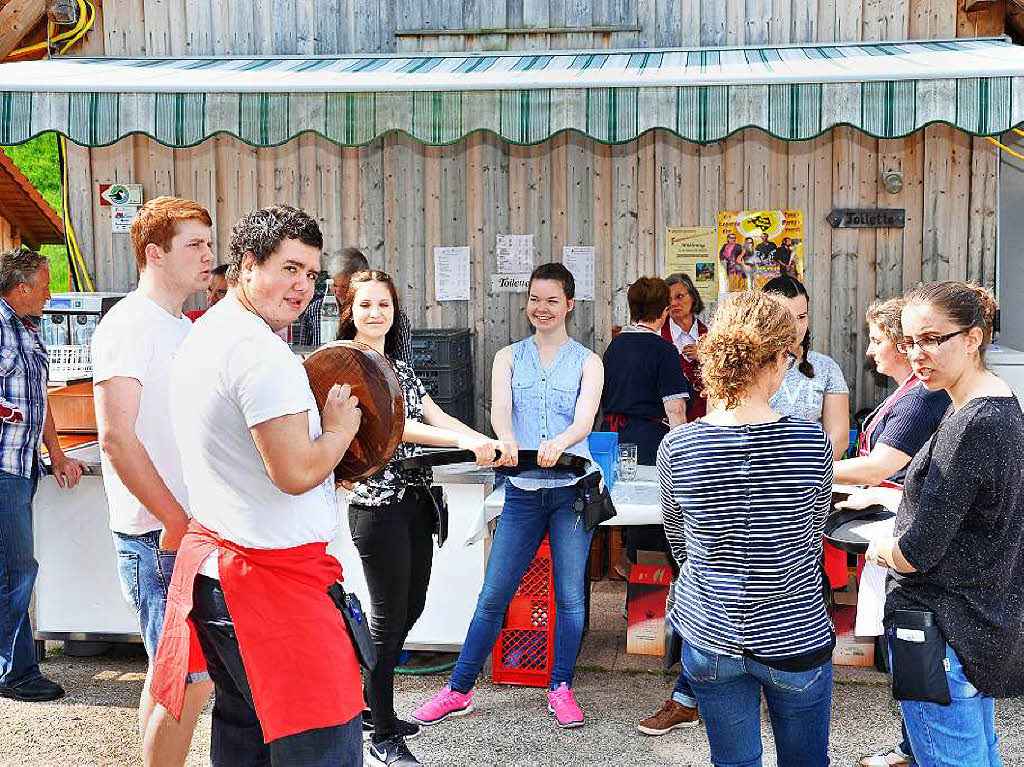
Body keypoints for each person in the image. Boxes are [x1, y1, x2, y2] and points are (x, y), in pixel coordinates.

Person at [150, 206, 365, 765]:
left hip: (222, 573)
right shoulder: (261, 354)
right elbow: (293, 473)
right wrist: (340, 432)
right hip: (270, 586)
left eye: (312, 275)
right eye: (290, 267)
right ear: (248, 264)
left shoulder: (207, 332)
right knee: (324, 746)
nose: (302, 286)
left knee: (246, 740)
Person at [413, 263, 603, 730]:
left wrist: (563, 441)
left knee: (572, 599)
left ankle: (561, 686)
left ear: (569, 305)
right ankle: (458, 689)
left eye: (552, 300)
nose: (542, 308)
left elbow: (585, 420)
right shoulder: (508, 357)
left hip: (571, 495)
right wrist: (505, 435)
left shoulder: (588, 361)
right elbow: (500, 410)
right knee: (494, 594)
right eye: (535, 299)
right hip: (521, 492)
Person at [843, 282, 1024, 767]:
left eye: (930, 339)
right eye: (908, 341)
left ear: (974, 338)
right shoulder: (993, 405)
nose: (916, 354)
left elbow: (915, 551)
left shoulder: (974, 423)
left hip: (945, 629)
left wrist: (873, 542)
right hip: (973, 622)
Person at [659, 290, 835, 766]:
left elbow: (679, 542)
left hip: (711, 629)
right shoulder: (811, 440)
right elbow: (811, 531)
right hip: (793, 631)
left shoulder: (678, 445)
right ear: (780, 358)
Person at [340, 270, 506, 766]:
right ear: (350, 310)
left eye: (384, 305)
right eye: (366, 304)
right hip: (376, 509)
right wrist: (463, 443)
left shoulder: (398, 366)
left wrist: (481, 438)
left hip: (415, 502)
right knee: (389, 622)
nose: (375, 314)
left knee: (409, 610)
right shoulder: (349, 366)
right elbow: (395, 429)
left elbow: (434, 414)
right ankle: (383, 734)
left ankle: (371, 708)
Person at [92, 197, 215, 766]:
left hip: (188, 534)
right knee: (183, 681)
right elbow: (116, 437)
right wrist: (172, 519)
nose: (208, 255)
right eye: (194, 244)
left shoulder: (180, 325)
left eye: (208, 243)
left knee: (179, 680)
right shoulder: (128, 324)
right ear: (153, 254)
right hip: (156, 537)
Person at [0, 248, 84, 703]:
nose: (52, 293)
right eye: (46, 285)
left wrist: (56, 453)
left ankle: (15, 667)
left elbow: (40, 400)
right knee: (15, 571)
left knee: (14, 570)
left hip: (21, 465)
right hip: (2, 468)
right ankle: (14, 672)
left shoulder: (28, 331)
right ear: (22, 289)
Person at [834, 297, 949, 489]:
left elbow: (876, 470)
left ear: (902, 346)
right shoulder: (909, 390)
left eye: (877, 341)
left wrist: (807, 471)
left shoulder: (919, 399)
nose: (870, 351)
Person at [764, 276, 850, 459]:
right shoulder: (745, 366)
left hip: (811, 476)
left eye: (801, 317)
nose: (796, 326)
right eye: (786, 317)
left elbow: (839, 439)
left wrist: (805, 472)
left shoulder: (826, 368)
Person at [292, 247, 413, 361]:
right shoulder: (315, 311)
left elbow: (407, 366)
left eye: (345, 287)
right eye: (334, 285)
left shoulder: (393, 317)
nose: (338, 292)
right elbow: (303, 356)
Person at [661, 273, 708, 420]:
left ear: (693, 297)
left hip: (707, 419)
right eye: (668, 300)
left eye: (679, 296)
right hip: (669, 421)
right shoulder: (657, 337)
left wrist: (706, 356)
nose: (673, 303)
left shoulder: (712, 334)